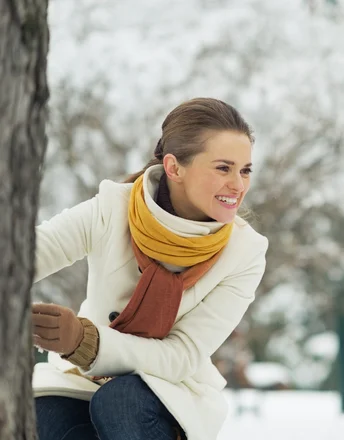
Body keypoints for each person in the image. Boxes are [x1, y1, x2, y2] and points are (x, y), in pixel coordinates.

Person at [32, 98, 268, 440]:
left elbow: (181, 355)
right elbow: (29, 256)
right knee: (44, 415)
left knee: (121, 400)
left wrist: (84, 340)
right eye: (223, 168)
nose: (238, 185)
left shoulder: (245, 251)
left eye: (245, 170)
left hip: (171, 390)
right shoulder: (113, 208)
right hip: (81, 377)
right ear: (174, 168)